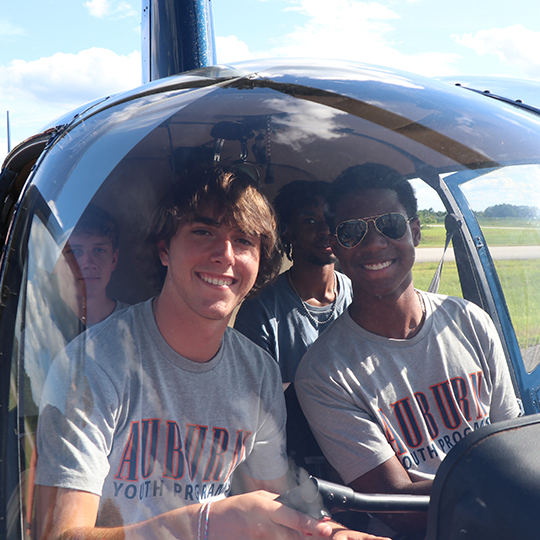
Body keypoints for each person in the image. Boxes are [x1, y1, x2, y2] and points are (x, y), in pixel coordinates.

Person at [34, 167, 388, 540]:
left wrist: (331, 533)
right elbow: (61, 536)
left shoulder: (258, 372)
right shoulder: (90, 366)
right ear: (164, 249)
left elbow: (272, 498)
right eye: (203, 232)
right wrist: (203, 523)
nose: (225, 255)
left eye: (245, 241)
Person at [295, 163, 521, 537]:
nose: (373, 243)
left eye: (390, 226)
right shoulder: (323, 373)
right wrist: (497, 483)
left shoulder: (470, 321)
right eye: (353, 232)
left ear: (414, 232)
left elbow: (513, 442)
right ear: (335, 247)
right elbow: (395, 504)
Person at [235, 180, 353, 384]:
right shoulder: (260, 310)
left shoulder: (358, 293)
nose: (325, 230)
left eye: (331, 219)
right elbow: (254, 394)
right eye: (310, 221)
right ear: (288, 231)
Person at [24, 203, 129, 410]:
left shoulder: (138, 327)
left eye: (99, 249)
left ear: (114, 259)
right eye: (76, 252)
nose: (88, 262)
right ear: (57, 262)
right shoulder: (35, 340)